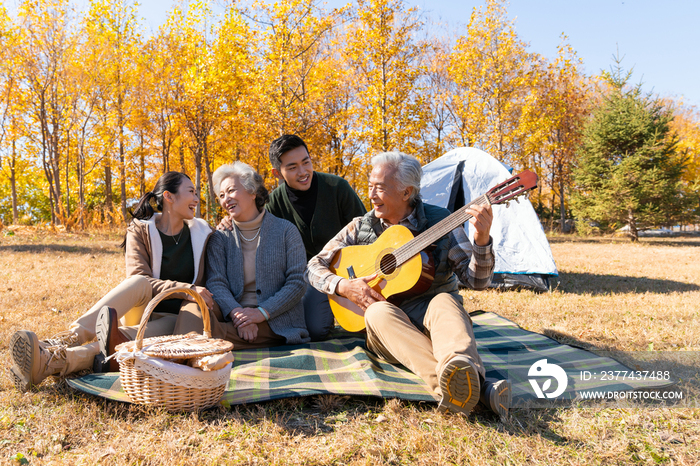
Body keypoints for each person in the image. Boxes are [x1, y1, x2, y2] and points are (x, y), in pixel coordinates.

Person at [305, 152, 511, 418]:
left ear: (407, 193)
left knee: (445, 301)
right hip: (390, 330)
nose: (372, 195)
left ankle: (456, 389)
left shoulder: (442, 222)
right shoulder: (361, 226)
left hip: (438, 322)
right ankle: (480, 390)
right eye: (370, 186)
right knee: (376, 311)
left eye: (380, 188)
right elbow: (314, 265)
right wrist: (343, 286)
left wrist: (482, 241)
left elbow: (477, 282)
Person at [9, 171, 215, 391]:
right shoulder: (141, 229)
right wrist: (187, 288)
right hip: (142, 307)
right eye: (191, 192)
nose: (196, 199)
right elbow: (140, 276)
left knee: (120, 345)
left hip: (176, 319)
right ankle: (68, 338)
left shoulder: (203, 234)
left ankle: (50, 363)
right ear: (169, 196)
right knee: (139, 282)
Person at [220, 135, 366, 341]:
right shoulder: (274, 204)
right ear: (277, 173)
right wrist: (229, 221)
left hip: (353, 270)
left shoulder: (337, 187)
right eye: (292, 167)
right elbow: (250, 217)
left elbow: (365, 230)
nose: (303, 172)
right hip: (314, 278)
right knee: (315, 330)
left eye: (306, 162)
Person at [173, 162, 309, 347]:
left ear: (252, 192)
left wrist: (260, 313)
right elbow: (216, 282)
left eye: (231, 191)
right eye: (221, 195)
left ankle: (184, 353)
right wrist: (237, 313)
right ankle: (189, 351)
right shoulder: (220, 236)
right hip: (231, 314)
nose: (226, 199)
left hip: (275, 318)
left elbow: (297, 282)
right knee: (193, 306)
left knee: (203, 333)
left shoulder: (286, 231)